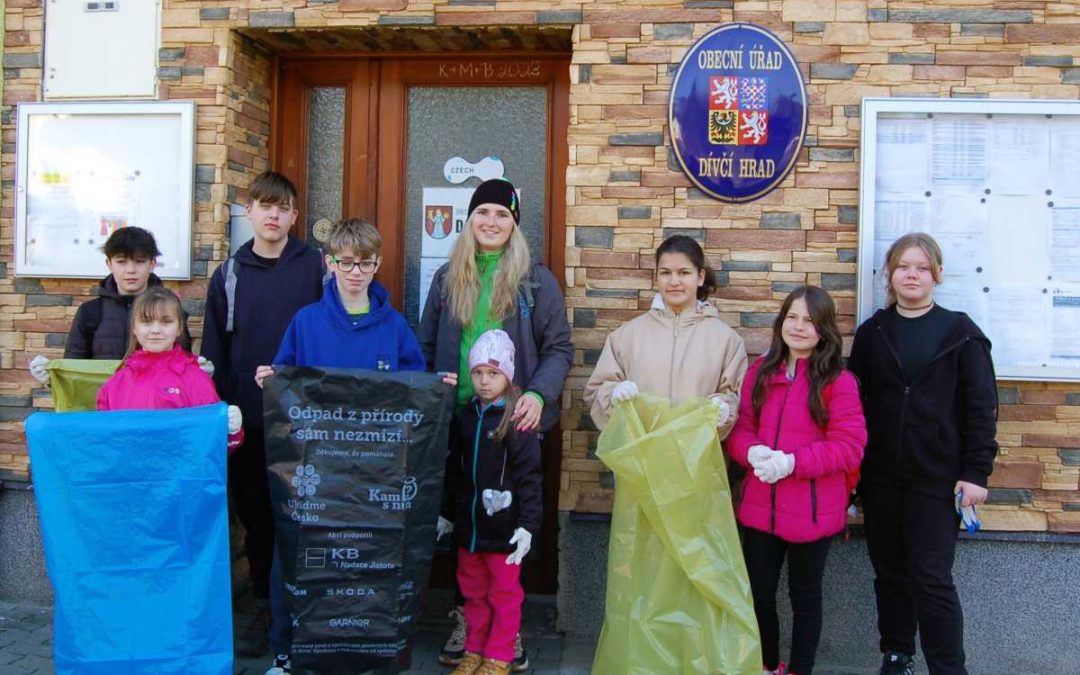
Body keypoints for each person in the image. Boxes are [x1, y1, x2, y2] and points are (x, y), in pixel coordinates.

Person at [254, 217, 428, 675]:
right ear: (330, 263)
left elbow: (415, 389)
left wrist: (438, 388)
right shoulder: (306, 322)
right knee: (296, 557)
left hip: (375, 471)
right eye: (346, 262)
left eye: (365, 263)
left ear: (378, 265)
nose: (356, 272)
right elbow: (284, 379)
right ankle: (288, 651)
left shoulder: (394, 328)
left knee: (371, 558)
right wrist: (268, 380)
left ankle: (369, 649)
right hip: (314, 471)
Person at [418, 178, 573, 671]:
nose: (491, 222)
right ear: (470, 220)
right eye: (482, 212)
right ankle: (468, 620)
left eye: (501, 214)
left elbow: (559, 349)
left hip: (509, 427)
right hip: (458, 424)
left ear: (514, 222)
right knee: (465, 526)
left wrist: (536, 392)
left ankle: (507, 635)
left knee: (506, 530)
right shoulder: (447, 278)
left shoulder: (535, 281)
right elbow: (425, 347)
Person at [847, 232, 997, 675]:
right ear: (889, 275)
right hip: (880, 480)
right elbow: (852, 408)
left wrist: (977, 473)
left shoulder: (961, 333)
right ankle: (896, 656)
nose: (912, 275)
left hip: (937, 480)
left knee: (931, 580)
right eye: (903, 267)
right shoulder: (873, 333)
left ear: (937, 275)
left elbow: (981, 409)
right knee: (889, 575)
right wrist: (852, 476)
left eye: (921, 267)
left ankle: (948, 668)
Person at [200, 171, 325, 658]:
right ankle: (264, 607)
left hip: (306, 422)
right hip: (246, 421)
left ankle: (307, 608)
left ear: (296, 216)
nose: (273, 215)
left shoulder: (315, 268)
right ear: (248, 210)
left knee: (305, 518)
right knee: (257, 519)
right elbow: (215, 348)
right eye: (263, 205)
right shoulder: (229, 274)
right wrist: (221, 408)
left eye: (283, 207)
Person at [726, 286, 866, 675]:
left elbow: (849, 446)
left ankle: (801, 669)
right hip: (760, 508)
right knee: (759, 595)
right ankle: (767, 665)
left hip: (813, 512)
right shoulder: (760, 371)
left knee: (805, 598)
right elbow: (740, 429)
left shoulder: (838, 381)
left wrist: (792, 462)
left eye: (809, 320)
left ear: (824, 330)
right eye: (792, 317)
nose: (799, 327)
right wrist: (751, 451)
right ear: (781, 322)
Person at [437, 329, 542, 675]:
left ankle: (499, 655)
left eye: (493, 373)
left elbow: (529, 479)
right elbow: (455, 469)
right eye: (478, 373)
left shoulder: (517, 421)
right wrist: (448, 514)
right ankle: (474, 650)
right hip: (469, 531)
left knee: (504, 595)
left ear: (507, 376)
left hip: (504, 533)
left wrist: (528, 526)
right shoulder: (466, 416)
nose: (484, 381)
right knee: (474, 594)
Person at [583, 234, 747, 435]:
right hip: (639, 458)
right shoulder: (627, 336)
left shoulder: (726, 341)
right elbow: (596, 391)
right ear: (657, 277)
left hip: (698, 460)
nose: (674, 281)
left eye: (684, 272)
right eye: (665, 273)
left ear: (700, 277)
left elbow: (738, 398)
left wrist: (724, 410)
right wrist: (613, 396)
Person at [28, 226, 197, 382]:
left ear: (152, 263)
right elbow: (73, 371)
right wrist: (52, 378)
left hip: (155, 409)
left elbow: (182, 365)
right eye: (121, 261)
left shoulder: (171, 310)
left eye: (139, 261)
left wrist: (197, 372)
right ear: (109, 263)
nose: (130, 270)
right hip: (101, 410)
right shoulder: (90, 312)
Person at [96, 286, 243, 454]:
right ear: (134, 328)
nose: (156, 330)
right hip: (129, 477)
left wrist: (231, 432)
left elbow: (212, 449)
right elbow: (104, 444)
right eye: (146, 321)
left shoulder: (196, 379)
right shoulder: (116, 383)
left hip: (180, 479)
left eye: (166, 321)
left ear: (179, 327)